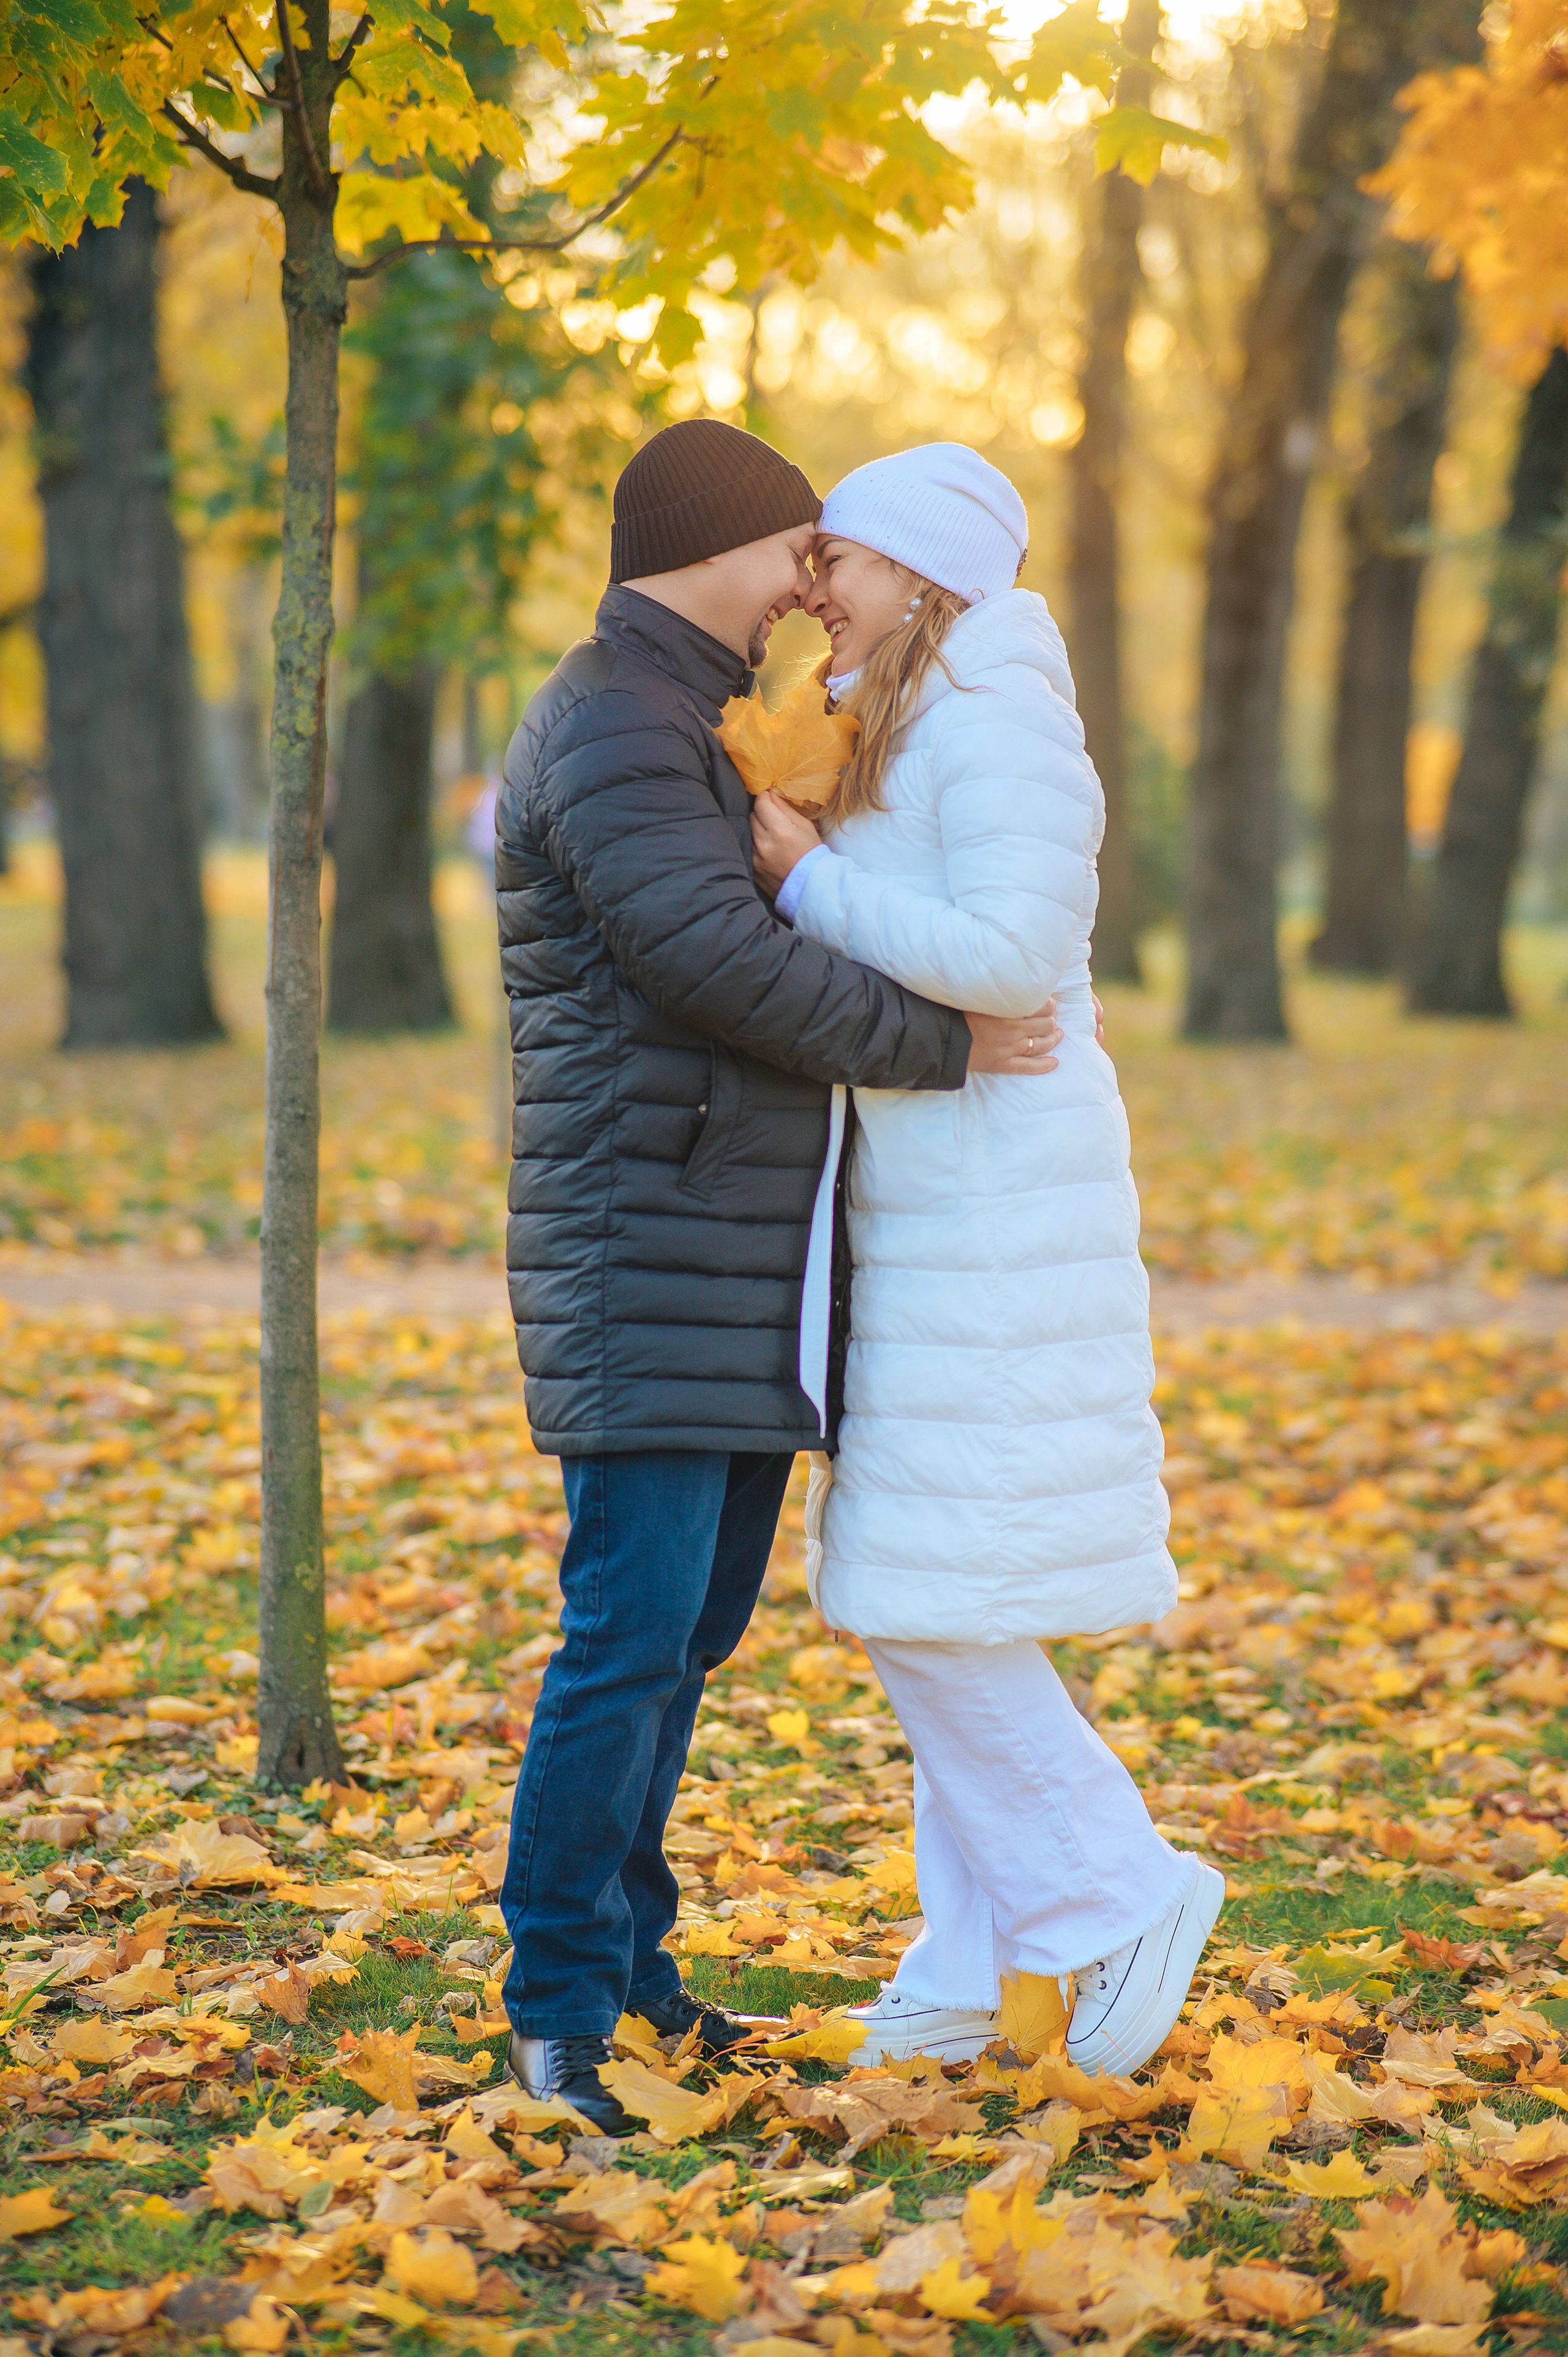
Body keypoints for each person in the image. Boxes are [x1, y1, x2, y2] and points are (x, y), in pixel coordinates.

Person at [493, 418, 1064, 2133]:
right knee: (626, 1637)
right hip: (645, 1245)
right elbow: (716, 963)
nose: (810, 585)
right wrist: (953, 1040)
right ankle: (555, 2012)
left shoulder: (691, 715)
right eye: (794, 549)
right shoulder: (611, 719)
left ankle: (634, 1976)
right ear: (718, 545)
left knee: (687, 1637)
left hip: (729, 1251)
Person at [750, 443, 1224, 2078]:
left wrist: (802, 879)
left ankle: (1115, 1890)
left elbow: (1019, 960)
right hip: (928, 1192)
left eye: (844, 560)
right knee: (928, 1574)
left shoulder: (1000, 718)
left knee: (920, 1590)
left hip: (998, 1205)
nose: (818, 586)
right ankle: (978, 1963)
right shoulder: (905, 719)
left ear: (925, 574)